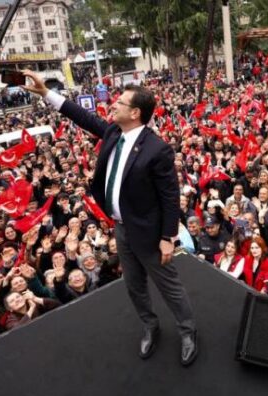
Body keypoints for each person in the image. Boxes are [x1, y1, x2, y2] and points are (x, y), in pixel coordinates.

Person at [22, 70, 198, 366]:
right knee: (134, 285)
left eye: (120, 102)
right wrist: (46, 93)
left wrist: (169, 238)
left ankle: (188, 331)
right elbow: (82, 116)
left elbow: (170, 196)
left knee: (168, 286)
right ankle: (150, 326)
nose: (112, 105)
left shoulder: (158, 149)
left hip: (151, 233)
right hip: (121, 227)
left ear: (135, 112)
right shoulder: (115, 133)